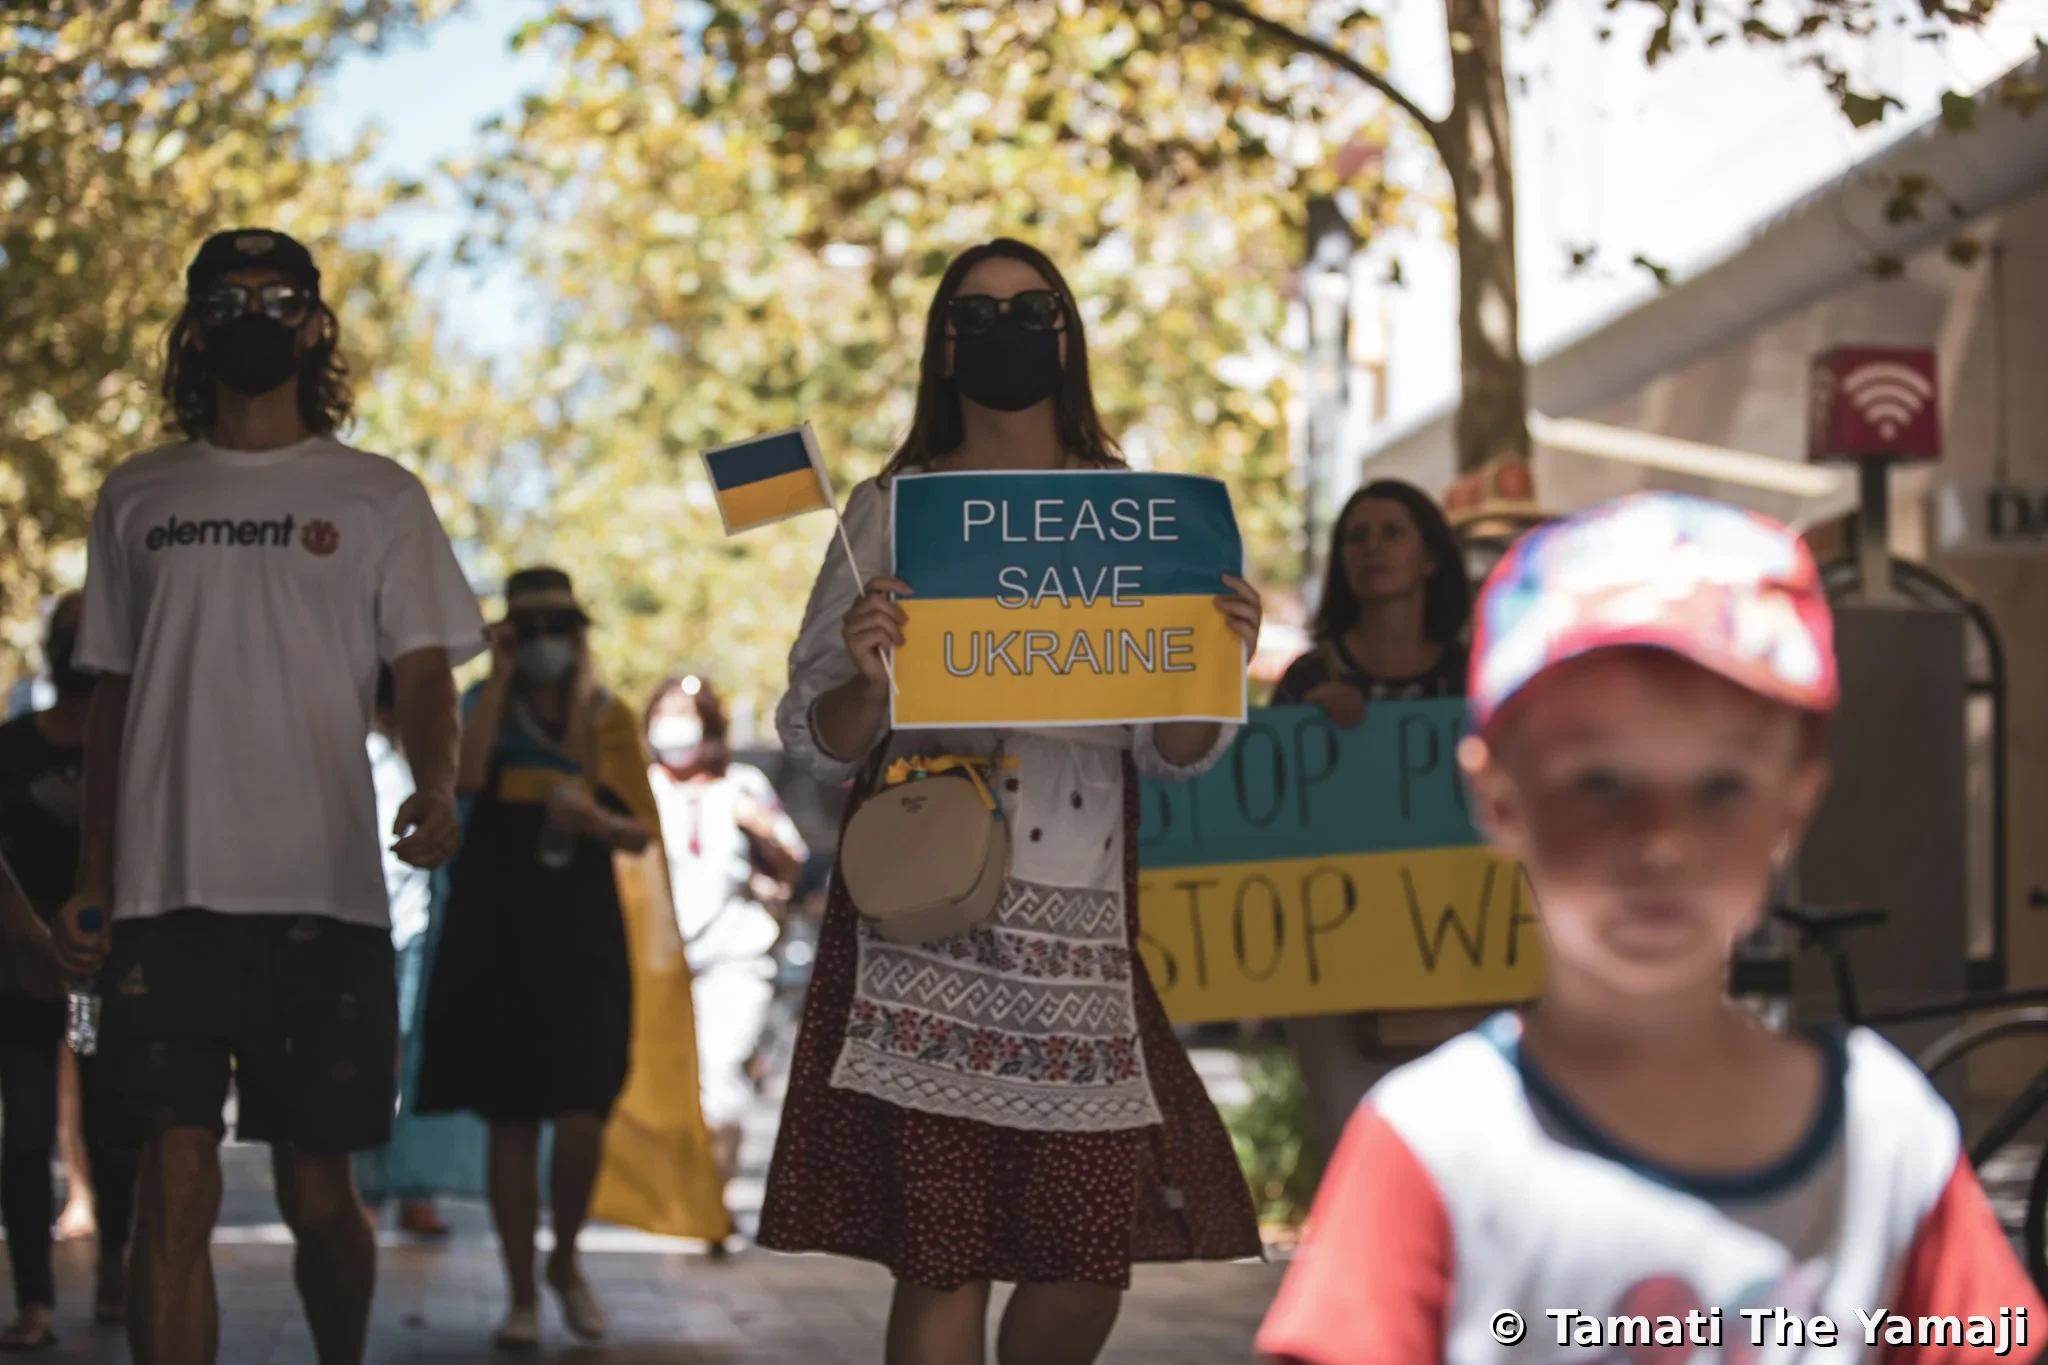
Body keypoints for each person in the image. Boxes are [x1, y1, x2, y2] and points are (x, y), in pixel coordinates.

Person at [1256, 492, 2047, 1363]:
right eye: (1599, 782)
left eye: (1721, 787)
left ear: (1797, 799)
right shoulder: (1431, 1146)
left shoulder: (1889, 1139)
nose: (1663, 842)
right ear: (1498, 797)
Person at [758, 238, 1264, 1365]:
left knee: (1084, 1271)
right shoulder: (890, 509)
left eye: (1029, 310)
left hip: (1079, 932)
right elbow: (812, 728)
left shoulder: (1138, 518)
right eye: (977, 314)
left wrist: (1215, 657)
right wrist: (865, 676)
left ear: (1066, 338)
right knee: (943, 1260)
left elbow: (1177, 750)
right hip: (931, 922)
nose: (1005, 330)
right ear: (943, 345)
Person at [54, 227, 482, 1365]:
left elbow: (429, 670)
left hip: (324, 900)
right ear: (195, 321)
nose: (254, 311)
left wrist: (437, 785)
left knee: (318, 1193)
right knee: (174, 1180)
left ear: (311, 323)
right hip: (162, 898)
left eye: (277, 295)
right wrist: (90, 883)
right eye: (228, 295)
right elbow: (110, 700)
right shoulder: (137, 496)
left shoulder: (377, 496)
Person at [416, 568, 730, 1349]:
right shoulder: (478, 707)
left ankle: (565, 1259)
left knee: (584, 1109)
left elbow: (640, 832)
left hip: (581, 936)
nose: (549, 643)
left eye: (562, 627)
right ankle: (522, 1291)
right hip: (497, 936)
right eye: (533, 629)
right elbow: (467, 777)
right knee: (511, 1118)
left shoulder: (607, 715)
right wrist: (495, 675)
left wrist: (592, 816)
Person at [1268, 480, 1477, 1155]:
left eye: (1392, 533)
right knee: (1353, 1145)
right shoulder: (1306, 680)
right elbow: (1268, 810)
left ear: (1430, 558)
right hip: (1334, 953)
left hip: (1462, 951)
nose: (1371, 548)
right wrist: (1308, 734)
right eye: (1356, 536)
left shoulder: (1478, 677)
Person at [0, 593, 139, 1345]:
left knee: (114, 1128)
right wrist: (24, 934)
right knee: (24, 1137)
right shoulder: (13, 746)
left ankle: (116, 1261)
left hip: (111, 965)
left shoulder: (141, 747)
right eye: (66, 636)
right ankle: (35, 1300)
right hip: (21, 968)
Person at [645, 674, 807, 1194]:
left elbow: (791, 862)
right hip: (657, 961)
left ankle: (710, 1199)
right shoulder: (639, 789)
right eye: (664, 712)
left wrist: (759, 829)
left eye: (685, 713)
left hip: (734, 958)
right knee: (662, 1079)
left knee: (721, 1080)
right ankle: (669, 1194)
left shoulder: (743, 787)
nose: (673, 725)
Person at [352, 664, 450, 1239]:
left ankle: (415, 1190)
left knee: (413, 1064)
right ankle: (366, 1191)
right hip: (363, 925)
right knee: (369, 1063)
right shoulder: (347, 750)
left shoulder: (428, 754)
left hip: (416, 929)